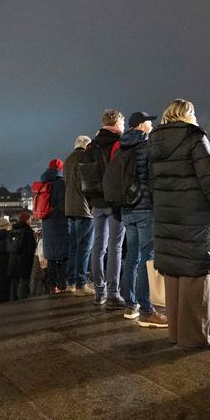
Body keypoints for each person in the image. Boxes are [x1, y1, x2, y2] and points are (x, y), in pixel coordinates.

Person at [149, 99, 210, 349]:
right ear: (188, 114)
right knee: (195, 273)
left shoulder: (154, 142)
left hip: (166, 213)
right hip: (194, 214)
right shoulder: (195, 138)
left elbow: (150, 182)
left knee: (173, 272)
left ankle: (176, 333)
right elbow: (209, 180)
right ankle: (195, 337)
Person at [119, 111, 168, 328]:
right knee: (147, 258)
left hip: (127, 209)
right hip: (145, 208)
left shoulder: (121, 148)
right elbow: (153, 178)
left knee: (131, 257)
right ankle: (147, 310)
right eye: (149, 122)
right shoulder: (147, 147)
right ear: (140, 126)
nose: (151, 125)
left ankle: (131, 305)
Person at [88, 109, 126, 308]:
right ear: (117, 123)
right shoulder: (118, 143)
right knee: (115, 247)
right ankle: (113, 293)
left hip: (96, 203)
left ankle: (98, 292)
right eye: (122, 122)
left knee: (98, 247)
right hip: (113, 203)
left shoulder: (90, 146)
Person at [64, 134, 95, 296]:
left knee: (73, 248)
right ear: (86, 146)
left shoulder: (68, 160)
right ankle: (81, 284)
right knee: (84, 248)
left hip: (70, 208)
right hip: (84, 209)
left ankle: (70, 283)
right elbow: (89, 184)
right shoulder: (85, 157)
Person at [40, 159, 71, 294]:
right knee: (64, 256)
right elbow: (63, 205)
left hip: (47, 224)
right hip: (60, 224)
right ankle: (63, 285)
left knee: (51, 258)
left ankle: (51, 287)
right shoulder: (61, 184)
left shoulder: (43, 183)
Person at [8, 212, 37, 300]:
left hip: (12, 262)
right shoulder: (28, 232)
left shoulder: (11, 231)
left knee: (13, 285)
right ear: (26, 220)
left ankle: (12, 303)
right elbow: (31, 248)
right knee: (23, 285)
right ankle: (22, 304)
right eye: (30, 219)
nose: (31, 221)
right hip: (24, 262)